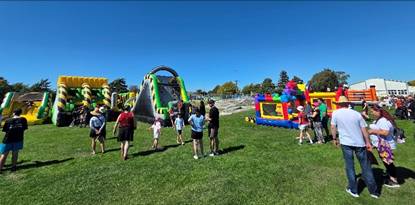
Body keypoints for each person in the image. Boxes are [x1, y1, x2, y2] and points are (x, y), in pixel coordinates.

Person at [331, 96, 379, 198]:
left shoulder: (336, 113)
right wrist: (368, 142)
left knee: (350, 166)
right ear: (348, 103)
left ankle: (353, 190)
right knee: (366, 167)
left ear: (339, 104)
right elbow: (364, 129)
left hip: (346, 143)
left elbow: (333, 127)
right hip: (359, 143)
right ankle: (374, 191)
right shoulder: (356, 114)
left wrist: (334, 138)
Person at [368, 105, 400, 188]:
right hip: (382, 144)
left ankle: (394, 180)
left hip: (385, 145)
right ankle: (390, 175)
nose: (372, 113)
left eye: (373, 111)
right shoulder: (381, 119)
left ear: (378, 111)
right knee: (386, 162)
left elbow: (385, 132)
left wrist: (372, 131)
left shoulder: (383, 120)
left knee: (388, 162)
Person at [0, 109, 28, 173]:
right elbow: (24, 128)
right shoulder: (23, 119)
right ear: (20, 113)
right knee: (15, 153)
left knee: (4, 154)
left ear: (14, 113)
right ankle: (13, 167)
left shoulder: (8, 120)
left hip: (7, 140)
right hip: (18, 139)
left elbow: (5, 130)